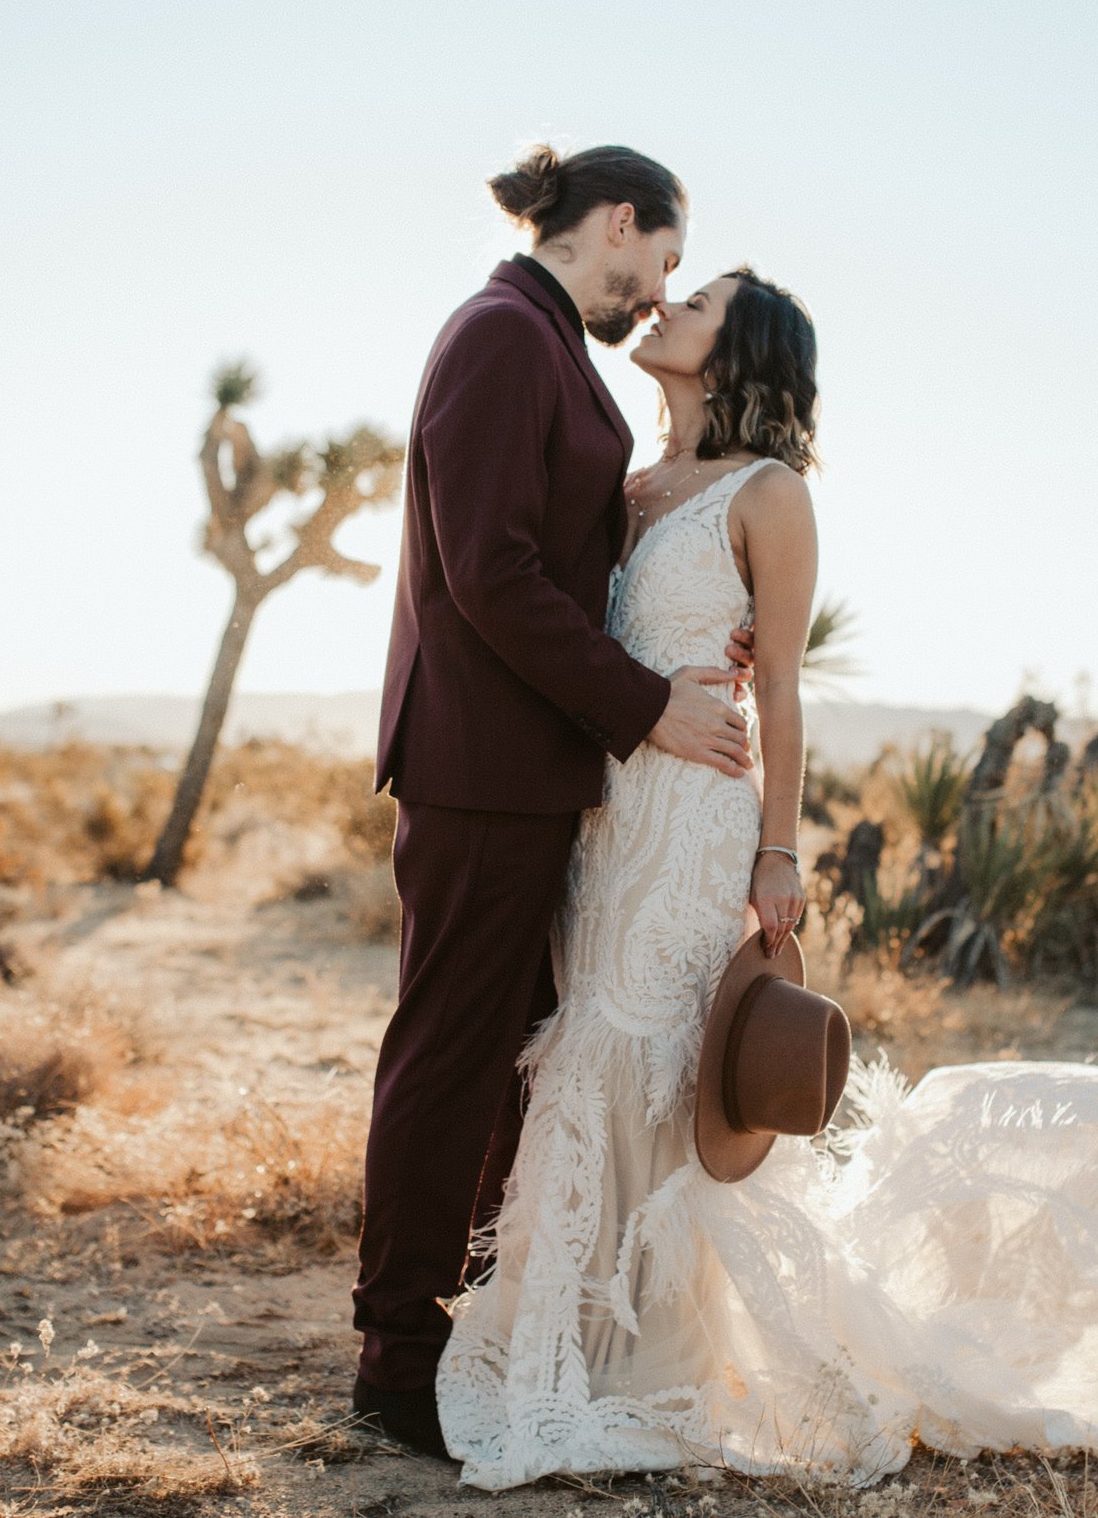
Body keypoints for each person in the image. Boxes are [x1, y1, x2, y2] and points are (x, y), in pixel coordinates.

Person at [432, 264, 1098, 1488]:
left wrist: (778, 849)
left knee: (658, 1060)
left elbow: (786, 689)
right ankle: (572, 1347)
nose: (664, 307)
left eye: (693, 302)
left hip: (695, 816)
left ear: (740, 349)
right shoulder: (632, 489)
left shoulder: (773, 494)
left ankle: (654, 1365)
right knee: (594, 1047)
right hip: (607, 814)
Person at [355, 144, 755, 1457]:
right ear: (621, 223)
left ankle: (487, 1329)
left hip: (533, 772)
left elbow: (559, 559)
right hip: (481, 765)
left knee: (507, 1061)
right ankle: (398, 1360)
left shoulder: (540, 344)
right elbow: (491, 572)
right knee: (453, 1053)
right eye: (664, 262)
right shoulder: (501, 334)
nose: (658, 292)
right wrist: (646, 702)